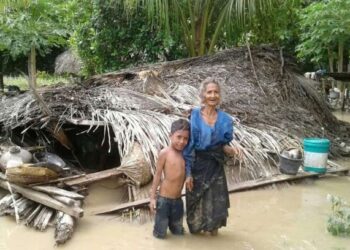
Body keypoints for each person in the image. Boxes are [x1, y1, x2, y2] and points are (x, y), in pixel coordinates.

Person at [183, 77, 241, 236]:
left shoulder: (226, 120)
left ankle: (214, 238)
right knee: (195, 209)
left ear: (219, 95)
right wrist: (188, 173)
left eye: (216, 92)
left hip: (216, 166)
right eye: (209, 92)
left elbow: (223, 144)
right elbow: (188, 148)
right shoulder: (194, 116)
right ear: (203, 95)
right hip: (197, 166)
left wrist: (230, 149)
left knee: (216, 205)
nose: (213, 95)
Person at [149, 119, 190, 239]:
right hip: (163, 201)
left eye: (185, 139)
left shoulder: (187, 154)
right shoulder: (165, 153)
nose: (182, 141)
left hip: (178, 201)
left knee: (178, 233)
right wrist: (152, 198)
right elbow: (157, 175)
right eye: (179, 137)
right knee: (160, 234)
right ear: (170, 136)